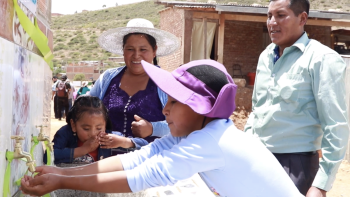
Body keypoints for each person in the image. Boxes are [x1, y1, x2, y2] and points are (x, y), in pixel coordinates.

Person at [21, 60, 303, 196]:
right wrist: (60, 171)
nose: (164, 109)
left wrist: (62, 181)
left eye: (173, 102)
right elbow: (140, 158)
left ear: (198, 107)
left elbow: (145, 176)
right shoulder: (201, 133)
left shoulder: (211, 143)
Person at [244, 0, 349, 196]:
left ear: (302, 18)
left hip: (294, 166)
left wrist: (320, 185)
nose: (272, 22)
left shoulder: (321, 59)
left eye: (281, 15)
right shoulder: (266, 56)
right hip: (257, 160)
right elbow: (257, 110)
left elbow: (336, 126)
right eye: (269, 16)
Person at [90, 18, 180, 153]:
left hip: (150, 162)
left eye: (143, 49)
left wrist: (152, 128)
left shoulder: (166, 82)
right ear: (123, 50)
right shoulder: (107, 79)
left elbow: (181, 124)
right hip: (103, 158)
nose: (136, 55)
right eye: (130, 49)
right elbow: (85, 110)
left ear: (154, 50)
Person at [44, 95, 113, 164]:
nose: (93, 134)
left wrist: (121, 142)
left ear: (105, 125)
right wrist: (82, 150)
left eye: (99, 128)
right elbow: (48, 156)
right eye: (86, 129)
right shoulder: (66, 133)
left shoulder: (109, 137)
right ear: (74, 125)